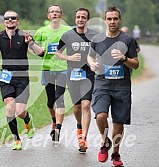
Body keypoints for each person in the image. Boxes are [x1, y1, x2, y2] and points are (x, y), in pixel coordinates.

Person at [0, 10, 44, 150]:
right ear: (4, 21)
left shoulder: (24, 36)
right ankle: (17, 139)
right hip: (6, 76)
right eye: (7, 18)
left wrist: (30, 44)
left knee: (20, 112)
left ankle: (28, 120)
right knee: (9, 107)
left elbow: (40, 53)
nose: (10, 20)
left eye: (13, 18)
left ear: (18, 20)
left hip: (22, 77)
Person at [87, 7, 139, 166]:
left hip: (121, 87)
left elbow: (136, 64)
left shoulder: (127, 40)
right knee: (101, 116)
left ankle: (115, 154)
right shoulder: (97, 39)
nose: (112, 22)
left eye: (115, 19)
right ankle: (105, 142)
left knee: (118, 123)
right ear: (105, 20)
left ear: (119, 20)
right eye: (109, 19)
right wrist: (92, 64)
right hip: (102, 84)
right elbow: (90, 56)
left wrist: (124, 59)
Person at [55, 7, 97, 152]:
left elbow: (101, 51)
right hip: (72, 74)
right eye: (78, 17)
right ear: (75, 19)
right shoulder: (67, 35)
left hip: (88, 75)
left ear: (87, 19)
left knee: (86, 105)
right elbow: (57, 53)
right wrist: (69, 57)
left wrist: (95, 63)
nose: (80, 19)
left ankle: (83, 138)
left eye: (83, 17)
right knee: (77, 107)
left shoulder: (94, 36)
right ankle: (79, 126)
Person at [33, 4, 71, 142]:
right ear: (48, 15)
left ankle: (58, 129)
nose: (54, 14)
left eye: (57, 12)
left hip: (63, 68)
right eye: (52, 12)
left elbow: (76, 44)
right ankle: (54, 121)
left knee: (59, 98)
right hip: (47, 68)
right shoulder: (42, 31)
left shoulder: (68, 31)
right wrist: (39, 49)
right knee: (50, 101)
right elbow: (33, 47)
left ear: (61, 15)